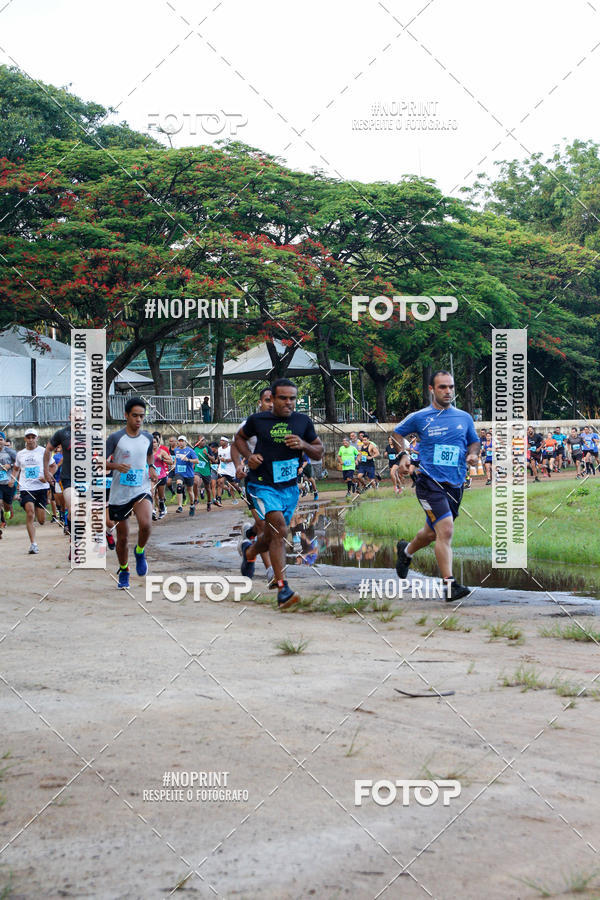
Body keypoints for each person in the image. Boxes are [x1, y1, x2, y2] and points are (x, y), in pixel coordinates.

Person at [234, 378, 323, 609]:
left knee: (274, 535)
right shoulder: (258, 420)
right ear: (271, 399)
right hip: (262, 484)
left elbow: (319, 452)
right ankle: (283, 588)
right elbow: (239, 439)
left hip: (289, 488)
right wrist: (249, 457)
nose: (288, 403)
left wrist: (304, 445)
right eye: (283, 398)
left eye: (292, 398)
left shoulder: (302, 422)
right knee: (280, 530)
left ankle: (250, 550)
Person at [392, 370, 480, 602]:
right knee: (446, 530)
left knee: (432, 533)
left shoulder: (464, 417)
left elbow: (474, 442)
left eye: (450, 387)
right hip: (429, 481)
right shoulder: (420, 417)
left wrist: (473, 455)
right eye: (442, 387)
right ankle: (449, 585)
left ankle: (406, 551)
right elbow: (396, 433)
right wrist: (403, 455)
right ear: (432, 389)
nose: (448, 391)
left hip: (456, 483)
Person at [105, 397, 158, 589]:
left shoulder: (148, 437)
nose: (138, 419)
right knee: (123, 537)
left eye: (142, 416)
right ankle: (124, 569)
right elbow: (98, 461)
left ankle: (140, 550)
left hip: (141, 488)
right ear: (126, 415)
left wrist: (151, 467)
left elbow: (149, 454)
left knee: (146, 524)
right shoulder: (115, 438)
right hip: (120, 493)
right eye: (134, 415)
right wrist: (115, 465)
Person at [231, 387, 275, 582]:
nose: (271, 404)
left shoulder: (285, 425)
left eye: (275, 400)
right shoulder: (250, 424)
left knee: (276, 525)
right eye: (267, 400)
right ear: (260, 403)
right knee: (266, 526)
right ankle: (271, 570)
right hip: (255, 481)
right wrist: (238, 465)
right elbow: (234, 445)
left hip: (277, 483)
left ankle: (248, 539)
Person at [13, 428, 56, 554]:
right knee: (30, 513)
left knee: (41, 520)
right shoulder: (20, 454)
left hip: (41, 488)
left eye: (33, 437)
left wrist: (47, 476)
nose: (31, 439)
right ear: (25, 439)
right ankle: (33, 544)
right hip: (26, 488)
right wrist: (13, 479)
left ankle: (40, 516)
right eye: (28, 437)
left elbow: (53, 466)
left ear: (37, 438)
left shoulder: (44, 451)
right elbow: (16, 468)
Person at [44, 411, 75, 543]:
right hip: (68, 479)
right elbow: (47, 450)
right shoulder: (62, 433)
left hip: (87, 479)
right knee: (73, 508)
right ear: (70, 417)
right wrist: (46, 471)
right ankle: (76, 543)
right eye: (75, 414)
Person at [173, 436, 198, 514]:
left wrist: (188, 459)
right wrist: (174, 464)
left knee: (190, 491)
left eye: (182, 441)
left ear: (185, 442)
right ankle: (180, 506)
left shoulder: (190, 451)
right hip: (179, 472)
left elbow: (197, 461)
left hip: (189, 473)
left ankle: (192, 505)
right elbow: (176, 459)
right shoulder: (176, 450)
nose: (180, 442)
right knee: (179, 487)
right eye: (179, 441)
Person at [0, 430, 17, 536]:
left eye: (0, 440)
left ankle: (7, 511)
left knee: (7, 505)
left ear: (4, 441)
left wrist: (9, 465)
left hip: (8, 483)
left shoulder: (10, 452)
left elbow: (19, 463)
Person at [152, 434, 172, 520]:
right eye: (151, 442)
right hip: (151, 476)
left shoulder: (162, 452)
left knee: (161, 496)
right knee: (151, 493)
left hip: (161, 476)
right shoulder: (148, 452)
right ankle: (152, 511)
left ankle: (162, 509)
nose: (153, 444)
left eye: (155, 442)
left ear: (158, 443)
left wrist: (162, 459)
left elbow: (171, 462)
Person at [216, 437, 239, 506]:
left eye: (222, 440)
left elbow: (234, 458)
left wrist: (225, 460)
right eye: (220, 440)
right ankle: (219, 499)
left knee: (233, 485)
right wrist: (218, 465)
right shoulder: (219, 449)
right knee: (220, 482)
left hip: (230, 470)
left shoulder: (231, 448)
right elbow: (219, 458)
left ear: (226, 442)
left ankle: (240, 492)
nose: (221, 441)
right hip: (222, 469)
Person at [193, 436, 214, 512]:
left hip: (206, 470)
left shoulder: (207, 448)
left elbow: (213, 459)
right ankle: (196, 498)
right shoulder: (195, 448)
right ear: (198, 442)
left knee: (208, 488)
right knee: (195, 482)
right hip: (197, 469)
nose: (204, 442)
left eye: (204, 440)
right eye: (202, 441)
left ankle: (209, 502)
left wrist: (207, 454)